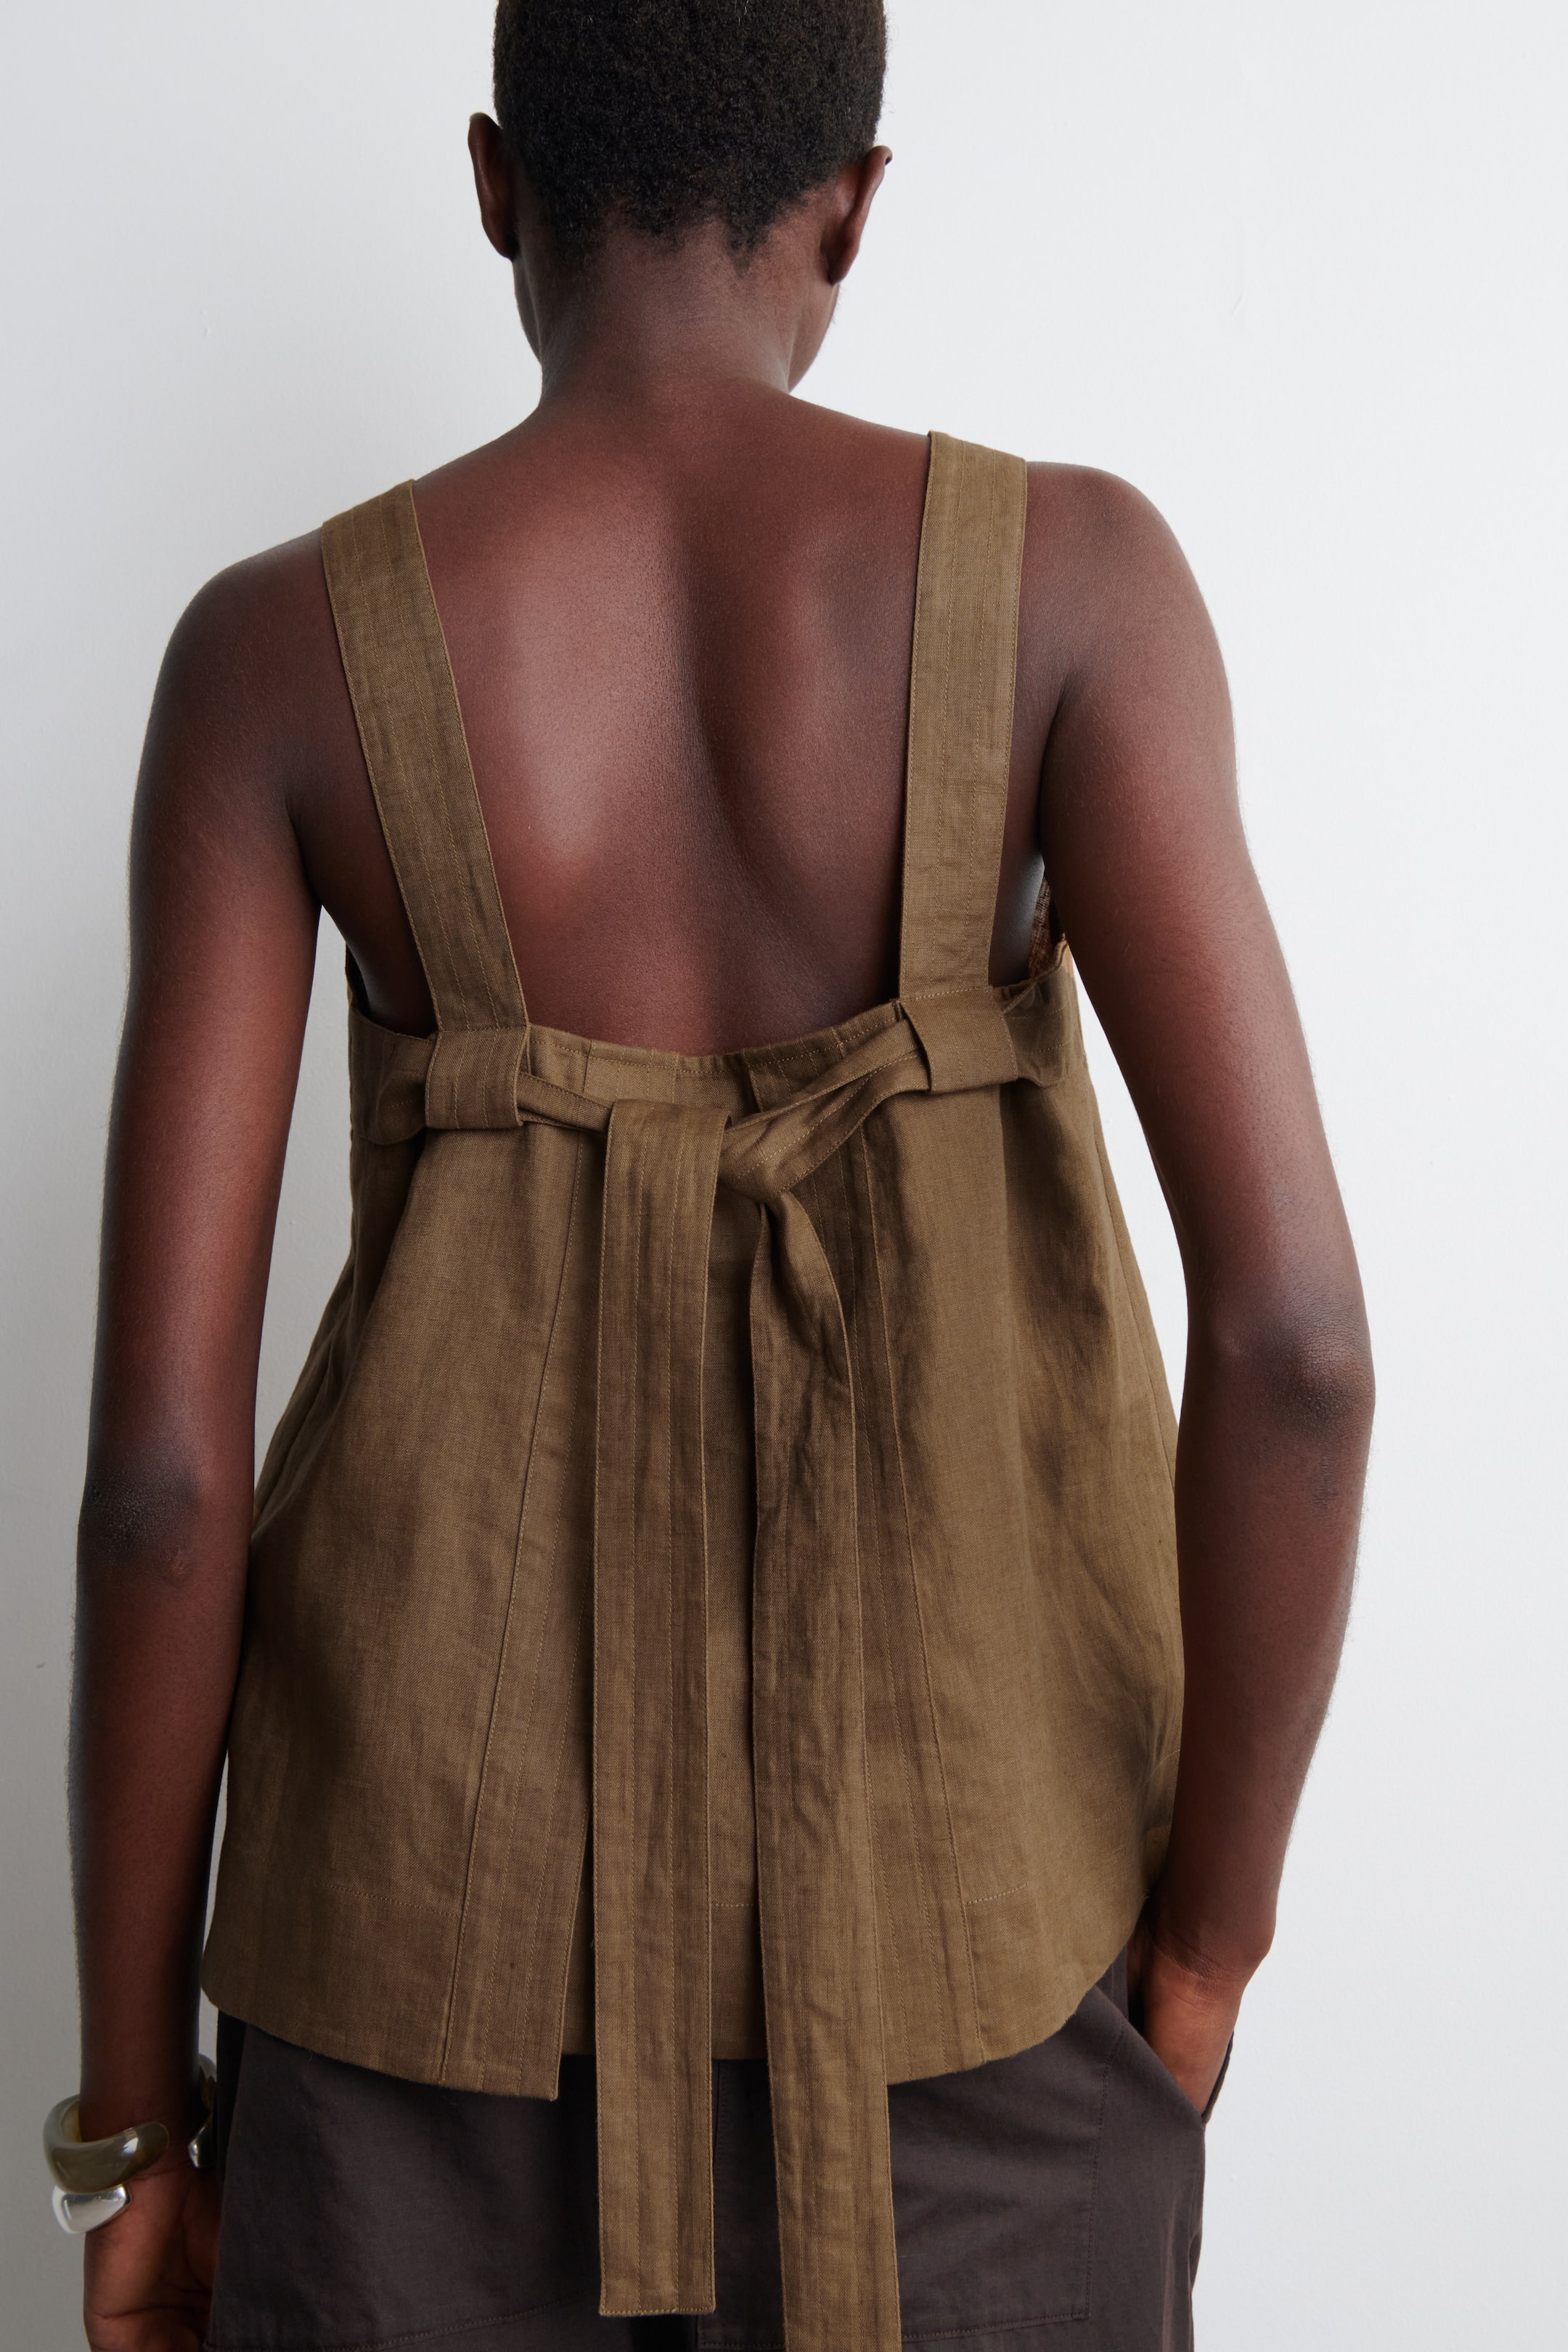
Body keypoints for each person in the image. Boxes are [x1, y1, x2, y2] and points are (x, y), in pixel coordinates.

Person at [60, 4, 1374, 2348]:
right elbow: (1297, 1354)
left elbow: (163, 1486)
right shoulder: (1078, 590)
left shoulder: (272, 662)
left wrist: (138, 2133)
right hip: (987, 2052)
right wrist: (1202, 1958)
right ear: (852, 206)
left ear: (497, 184)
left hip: (408, 2068)